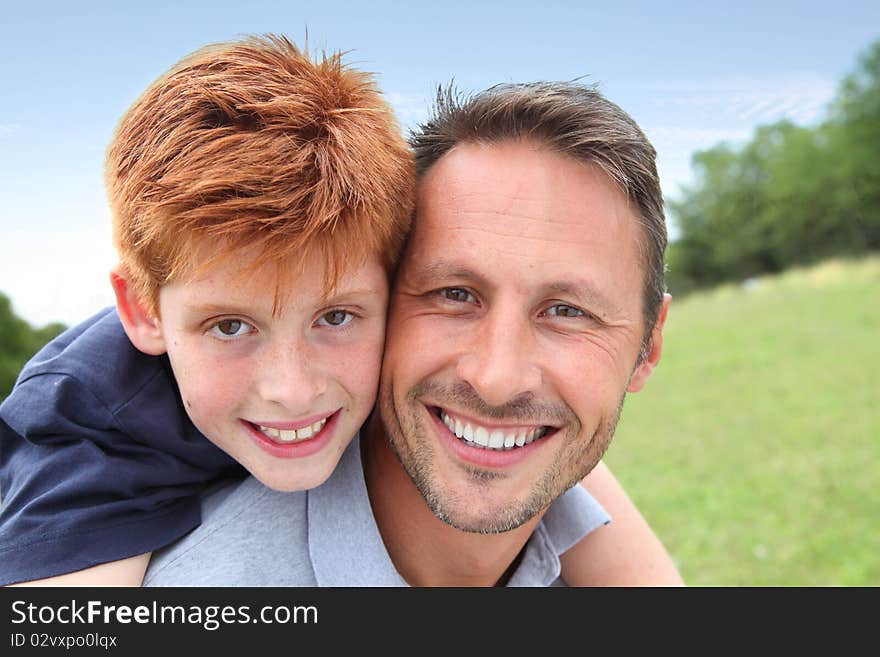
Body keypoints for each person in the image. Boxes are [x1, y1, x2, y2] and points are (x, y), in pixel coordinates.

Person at [0, 37, 681, 586]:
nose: (292, 387)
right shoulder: (85, 424)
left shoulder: (532, 471)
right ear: (143, 312)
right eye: (456, 293)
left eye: (335, 317)